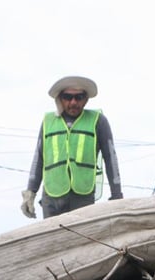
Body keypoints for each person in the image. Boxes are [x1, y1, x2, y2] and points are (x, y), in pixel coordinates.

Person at [21, 75, 123, 219]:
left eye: (79, 97)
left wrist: (117, 195)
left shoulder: (98, 121)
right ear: (60, 98)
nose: (73, 102)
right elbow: (39, 158)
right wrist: (30, 192)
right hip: (52, 197)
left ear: (86, 99)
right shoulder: (48, 122)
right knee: (53, 239)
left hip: (82, 197)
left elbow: (110, 158)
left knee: (82, 238)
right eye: (68, 97)